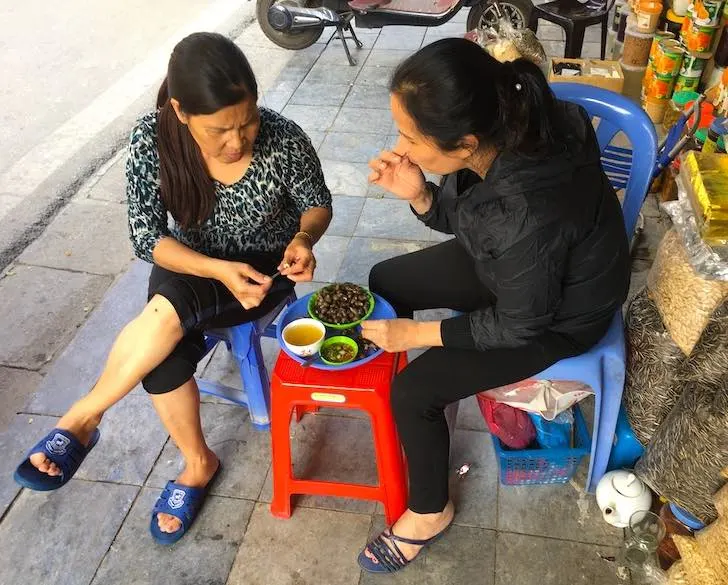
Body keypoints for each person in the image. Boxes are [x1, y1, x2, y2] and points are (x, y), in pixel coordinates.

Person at [13, 32, 332, 544]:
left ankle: (86, 418)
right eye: (220, 130)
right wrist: (212, 267)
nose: (238, 139)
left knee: (162, 325)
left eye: (247, 120)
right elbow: (147, 237)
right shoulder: (151, 139)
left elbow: (317, 202)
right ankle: (195, 462)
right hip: (186, 264)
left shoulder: (283, 137)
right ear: (181, 111)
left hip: (259, 273)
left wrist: (303, 236)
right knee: (162, 349)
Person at [358, 38, 630, 573]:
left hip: (559, 317)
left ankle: (429, 508)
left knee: (414, 389)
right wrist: (421, 196)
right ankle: (413, 425)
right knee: (386, 280)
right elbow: (477, 222)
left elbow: (520, 323)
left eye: (412, 137)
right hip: (522, 267)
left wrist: (419, 338)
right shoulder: (518, 123)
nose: (402, 147)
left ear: (465, 140)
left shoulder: (525, 206)